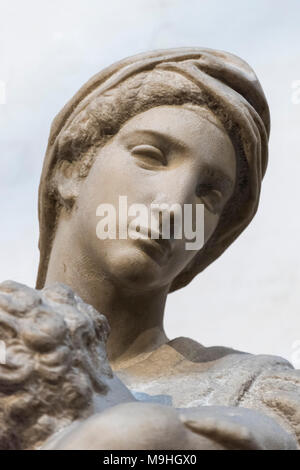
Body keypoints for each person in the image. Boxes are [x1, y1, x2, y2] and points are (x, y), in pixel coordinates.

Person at [32, 48, 299, 449]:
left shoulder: (250, 392)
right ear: (71, 168)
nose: (174, 206)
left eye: (208, 195)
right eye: (151, 156)